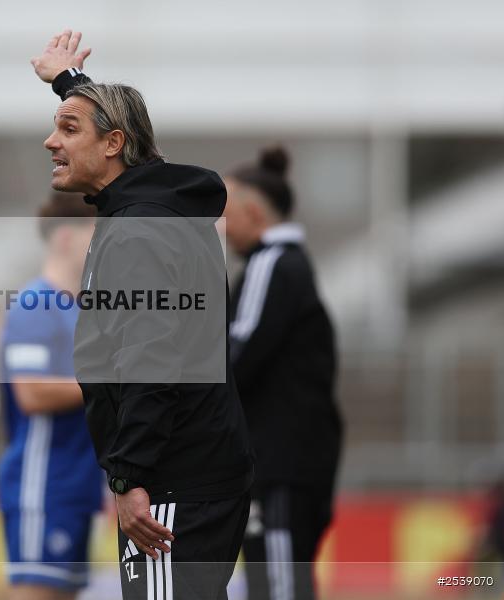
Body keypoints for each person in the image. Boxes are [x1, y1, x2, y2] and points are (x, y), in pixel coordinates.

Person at [31, 31, 254, 600]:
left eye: (68, 129)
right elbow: (124, 136)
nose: (50, 141)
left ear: (112, 145)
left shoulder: (138, 232)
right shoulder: (153, 207)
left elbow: (153, 361)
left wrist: (132, 477)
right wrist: (69, 83)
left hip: (173, 478)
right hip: (191, 471)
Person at [223, 147, 343, 600]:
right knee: (279, 583)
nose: (221, 225)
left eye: (226, 213)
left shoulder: (272, 262)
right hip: (292, 461)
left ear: (254, 213)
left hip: (280, 464)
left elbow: (238, 351)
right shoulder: (285, 263)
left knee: (276, 587)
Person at [0, 193, 106, 600]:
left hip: (76, 487)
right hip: (42, 486)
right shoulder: (36, 304)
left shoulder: (78, 309)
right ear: (65, 238)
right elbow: (31, 392)